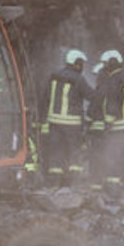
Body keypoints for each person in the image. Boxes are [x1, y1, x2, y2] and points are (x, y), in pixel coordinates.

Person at [41, 49, 89, 184]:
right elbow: (90, 96)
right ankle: (74, 183)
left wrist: (42, 120)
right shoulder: (78, 79)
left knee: (56, 152)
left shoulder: (53, 76)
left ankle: (54, 182)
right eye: (81, 63)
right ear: (76, 63)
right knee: (74, 153)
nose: (82, 67)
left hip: (54, 123)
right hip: (72, 125)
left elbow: (44, 98)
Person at [86, 50, 123, 187]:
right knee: (107, 156)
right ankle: (106, 184)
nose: (96, 78)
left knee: (97, 157)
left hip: (98, 130)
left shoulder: (101, 88)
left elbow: (94, 107)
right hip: (108, 129)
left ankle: (96, 184)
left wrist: (87, 121)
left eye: (97, 75)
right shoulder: (112, 85)